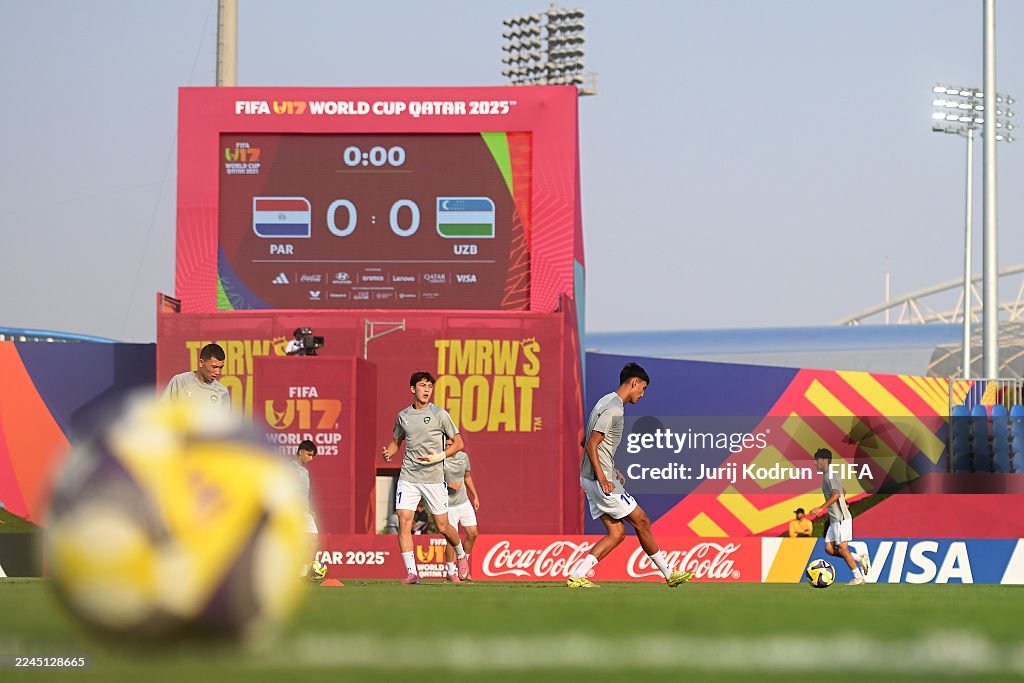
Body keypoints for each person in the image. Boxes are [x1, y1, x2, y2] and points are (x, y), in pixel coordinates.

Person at [566, 362, 695, 589]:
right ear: (634, 382)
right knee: (642, 521)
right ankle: (669, 573)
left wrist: (610, 468)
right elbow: (591, 445)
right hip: (600, 480)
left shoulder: (603, 401)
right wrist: (604, 477)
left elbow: (584, 440)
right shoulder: (614, 408)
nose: (642, 394)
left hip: (589, 477)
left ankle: (577, 575)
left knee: (616, 533)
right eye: (642, 388)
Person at [379, 371, 470, 584]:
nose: (427, 389)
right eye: (422, 385)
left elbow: (459, 443)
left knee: (443, 527)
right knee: (404, 520)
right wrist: (389, 452)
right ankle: (412, 573)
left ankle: (460, 554)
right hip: (409, 477)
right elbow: (396, 441)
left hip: (434, 479)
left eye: (430, 386)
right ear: (413, 389)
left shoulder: (440, 414)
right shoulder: (403, 416)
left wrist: (440, 455)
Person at [808, 448, 871, 585]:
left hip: (841, 519)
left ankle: (858, 577)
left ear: (824, 460)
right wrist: (841, 502)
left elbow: (837, 493)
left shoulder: (829, 475)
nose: (815, 463)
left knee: (842, 548)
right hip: (835, 518)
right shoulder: (828, 475)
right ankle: (859, 558)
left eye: (817, 460)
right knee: (829, 549)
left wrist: (821, 508)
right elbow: (842, 491)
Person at [442, 441, 480, 583]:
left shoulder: (463, 457)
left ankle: (463, 568)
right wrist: (448, 485)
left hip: (464, 502)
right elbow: (432, 482)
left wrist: (475, 496)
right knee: (453, 539)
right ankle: (451, 571)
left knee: (473, 533)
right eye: (445, 444)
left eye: (450, 443)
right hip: (448, 505)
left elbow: (467, 477)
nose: (447, 446)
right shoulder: (440, 459)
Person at [161, 342, 231, 412]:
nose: (217, 372)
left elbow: (223, 422)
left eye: (220, 367)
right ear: (201, 363)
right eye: (214, 367)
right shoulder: (180, 381)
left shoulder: (222, 392)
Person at [292, 439, 320, 577]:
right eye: (309, 455)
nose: (310, 458)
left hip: (304, 512)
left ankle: (302, 574)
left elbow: (303, 492)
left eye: (312, 456)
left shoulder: (305, 471)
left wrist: (308, 508)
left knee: (313, 541)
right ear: (301, 452)